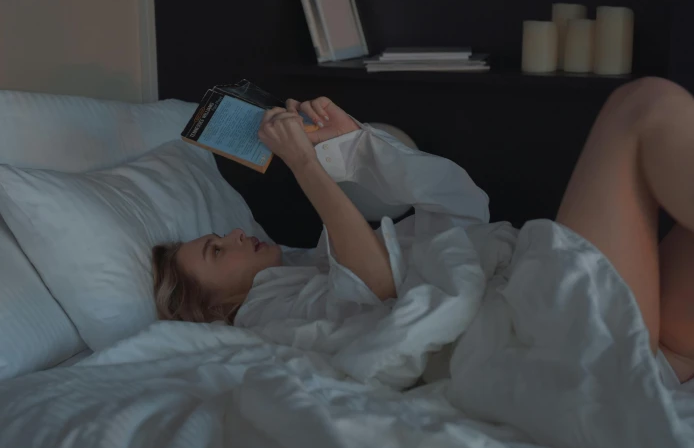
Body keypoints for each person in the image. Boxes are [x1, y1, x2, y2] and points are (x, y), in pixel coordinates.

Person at [152, 77, 694, 386]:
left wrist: (356, 145)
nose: (232, 234)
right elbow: (381, 288)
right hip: (563, 342)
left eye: (217, 235)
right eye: (216, 251)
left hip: (640, 347)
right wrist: (305, 167)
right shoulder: (266, 318)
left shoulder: (304, 265)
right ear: (217, 308)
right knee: (642, 109)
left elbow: (456, 210)